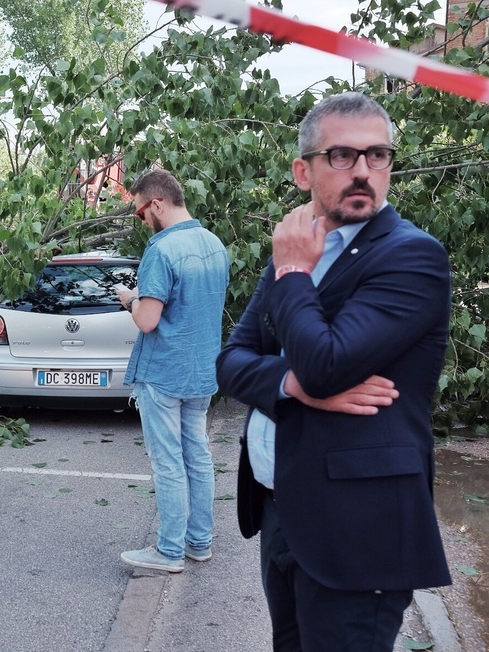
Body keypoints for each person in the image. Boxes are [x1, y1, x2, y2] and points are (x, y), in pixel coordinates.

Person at [216, 92, 452, 651]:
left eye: (378, 156)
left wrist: (294, 271)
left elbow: (324, 365)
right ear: (304, 171)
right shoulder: (295, 248)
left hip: (357, 530)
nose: (364, 172)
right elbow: (230, 361)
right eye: (343, 156)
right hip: (283, 510)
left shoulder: (411, 256)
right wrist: (291, 384)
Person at [116, 169, 230, 573]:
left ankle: (168, 551)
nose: (141, 221)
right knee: (197, 457)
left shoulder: (161, 251)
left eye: (139, 213)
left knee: (167, 462)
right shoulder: (215, 245)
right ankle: (199, 543)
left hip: (164, 373)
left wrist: (129, 298)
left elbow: (147, 320)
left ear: (157, 204)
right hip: (201, 372)